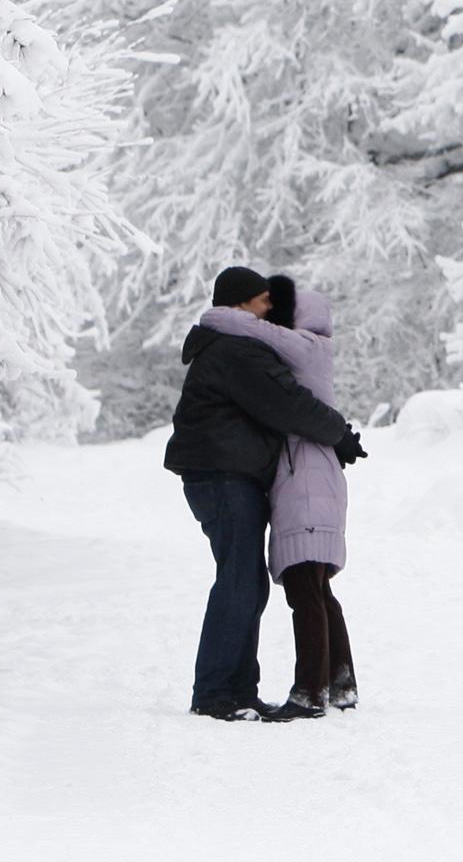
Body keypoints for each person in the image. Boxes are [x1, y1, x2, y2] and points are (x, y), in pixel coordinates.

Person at [161, 265, 364, 721]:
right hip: (223, 474)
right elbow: (286, 402)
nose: (269, 307)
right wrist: (339, 433)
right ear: (242, 304)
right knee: (240, 579)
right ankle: (217, 692)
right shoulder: (234, 350)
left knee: (247, 580)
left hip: (227, 473)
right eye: (263, 300)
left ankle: (235, 689)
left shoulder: (235, 346)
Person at [258, 273, 357, 717]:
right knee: (317, 588)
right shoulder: (309, 352)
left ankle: (309, 693)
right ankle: (340, 685)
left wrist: (219, 317)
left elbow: (251, 331)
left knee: (305, 590)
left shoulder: (308, 347)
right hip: (314, 477)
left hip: (308, 481)